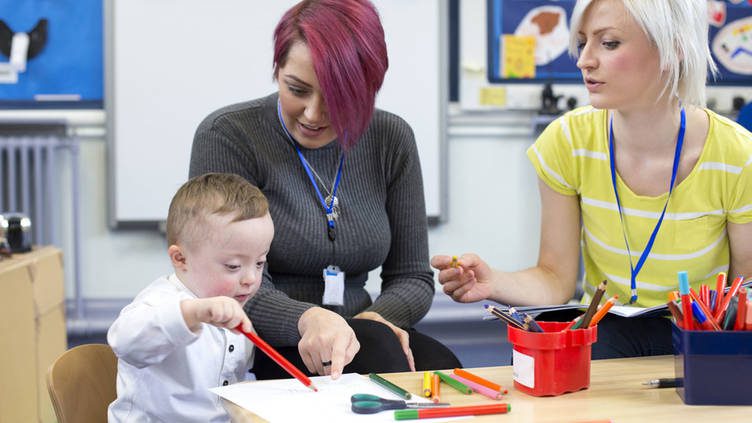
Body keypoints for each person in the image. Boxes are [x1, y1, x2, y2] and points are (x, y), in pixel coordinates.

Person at [433, 0, 752, 359]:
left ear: (673, 49)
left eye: (609, 43)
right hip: (607, 328)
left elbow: (743, 294)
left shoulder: (738, 155)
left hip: (700, 332)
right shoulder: (567, 141)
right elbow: (555, 280)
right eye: (583, 42)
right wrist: (494, 281)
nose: (585, 59)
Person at [189, 0, 460, 380]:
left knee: (443, 370)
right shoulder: (228, 136)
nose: (313, 114)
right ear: (277, 71)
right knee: (382, 359)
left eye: (337, 98)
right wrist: (310, 319)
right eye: (296, 89)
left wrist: (372, 322)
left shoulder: (391, 138)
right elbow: (229, 284)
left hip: (361, 330)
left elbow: (412, 278)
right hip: (263, 337)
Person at [108, 173, 274, 422]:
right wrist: (193, 314)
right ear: (180, 259)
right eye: (232, 266)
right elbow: (125, 341)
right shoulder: (160, 301)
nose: (250, 278)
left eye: (260, 263)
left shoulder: (233, 303)